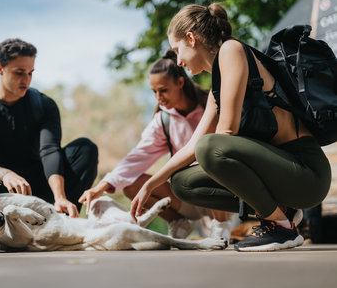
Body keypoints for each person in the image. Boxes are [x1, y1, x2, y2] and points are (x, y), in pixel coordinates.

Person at [130, 3, 332, 251]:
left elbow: (225, 133)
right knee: (182, 182)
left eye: (176, 50)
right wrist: (149, 185)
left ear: (191, 38)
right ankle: (283, 212)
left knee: (210, 146)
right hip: (282, 176)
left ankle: (280, 227)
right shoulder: (219, 82)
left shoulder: (231, 50)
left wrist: (209, 147)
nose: (178, 60)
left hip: (306, 173)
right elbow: (193, 145)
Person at [79, 50, 232, 240]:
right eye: (154, 92)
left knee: (208, 161)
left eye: (163, 90)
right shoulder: (163, 121)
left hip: (222, 193)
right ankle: (178, 222)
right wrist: (102, 186)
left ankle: (222, 224)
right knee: (132, 184)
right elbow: (137, 157)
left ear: (180, 82)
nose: (158, 97)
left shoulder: (211, 103)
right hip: (185, 193)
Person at [0, 38, 98, 217]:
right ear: (0, 69)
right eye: (19, 72)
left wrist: (60, 196)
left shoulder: (44, 105)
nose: (26, 80)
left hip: (37, 184)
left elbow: (50, 150)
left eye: (30, 73)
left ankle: (62, 216)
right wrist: (4, 174)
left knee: (85, 149)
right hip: (1, 187)